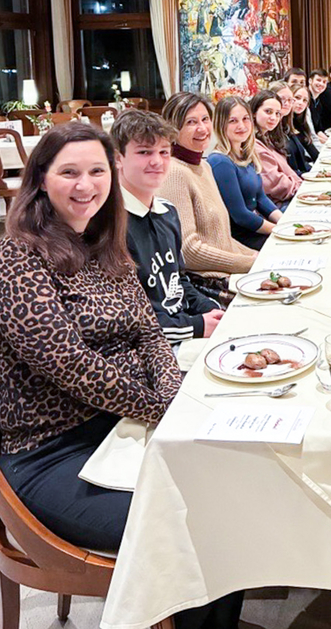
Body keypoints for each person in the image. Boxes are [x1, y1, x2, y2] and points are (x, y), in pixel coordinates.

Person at [0, 122, 244, 627]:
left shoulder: (105, 244)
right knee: (204, 525)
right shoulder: (18, 258)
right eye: (69, 172)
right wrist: (165, 408)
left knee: (231, 487)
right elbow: (73, 366)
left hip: (119, 427)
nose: (85, 185)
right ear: (41, 179)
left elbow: (149, 333)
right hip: (49, 454)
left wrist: (171, 395)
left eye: (96, 171)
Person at [112, 109, 225, 347]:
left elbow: (178, 280)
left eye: (164, 152)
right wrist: (197, 326)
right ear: (117, 158)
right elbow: (130, 321)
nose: (157, 161)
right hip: (154, 345)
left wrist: (210, 309)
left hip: (183, 327)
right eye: (144, 152)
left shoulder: (167, 211)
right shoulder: (111, 226)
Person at [159, 92, 257, 306]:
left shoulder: (204, 165)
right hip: (208, 285)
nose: (202, 128)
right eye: (191, 122)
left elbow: (221, 239)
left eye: (205, 119)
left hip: (230, 273)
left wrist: (258, 257)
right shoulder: (175, 172)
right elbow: (188, 251)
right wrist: (250, 263)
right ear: (172, 129)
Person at [208, 96, 283, 251]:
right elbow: (240, 215)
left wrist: (285, 222)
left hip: (256, 228)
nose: (241, 126)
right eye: (233, 121)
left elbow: (261, 198)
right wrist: (279, 230)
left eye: (245, 119)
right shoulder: (220, 161)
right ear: (221, 124)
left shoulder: (246, 154)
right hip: (242, 239)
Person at [250, 89, 302, 208]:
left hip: (289, 195)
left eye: (277, 113)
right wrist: (301, 187)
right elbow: (275, 184)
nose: (273, 117)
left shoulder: (267, 138)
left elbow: (288, 171)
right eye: (268, 111)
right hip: (277, 206)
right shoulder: (253, 144)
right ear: (254, 112)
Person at [270, 81, 313, 174]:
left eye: (290, 100)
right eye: (282, 99)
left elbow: (301, 163)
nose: (287, 103)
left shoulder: (286, 127)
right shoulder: (269, 131)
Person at [291, 85, 321, 159]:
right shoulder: (284, 124)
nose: (300, 103)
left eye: (304, 100)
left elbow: (312, 151)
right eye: (297, 98)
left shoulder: (301, 123)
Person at [308, 68, 330, 142]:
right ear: (310, 81)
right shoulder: (305, 99)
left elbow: (318, 129)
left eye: (324, 82)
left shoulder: (318, 101)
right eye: (318, 80)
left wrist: (328, 140)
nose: (321, 84)